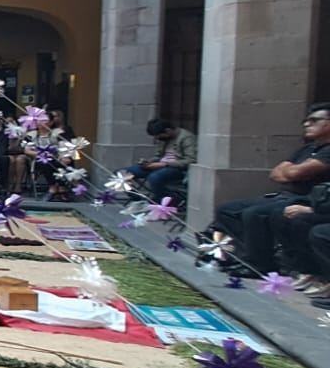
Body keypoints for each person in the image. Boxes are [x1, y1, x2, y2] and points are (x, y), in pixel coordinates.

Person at [210, 104, 330, 275]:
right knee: (226, 210)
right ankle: (251, 254)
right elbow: (275, 173)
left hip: (303, 199)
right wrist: (292, 173)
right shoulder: (308, 148)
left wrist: (293, 173)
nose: (306, 124)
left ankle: (260, 264)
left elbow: (293, 172)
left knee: (255, 213)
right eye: (306, 120)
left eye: (314, 120)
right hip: (282, 195)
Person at [125, 118, 196, 199]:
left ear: (168, 130)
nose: (157, 138)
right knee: (122, 174)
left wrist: (165, 164)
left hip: (176, 168)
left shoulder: (186, 138)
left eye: (159, 136)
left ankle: (159, 201)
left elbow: (191, 160)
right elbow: (158, 156)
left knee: (154, 177)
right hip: (159, 165)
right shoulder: (164, 139)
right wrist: (148, 162)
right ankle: (136, 198)